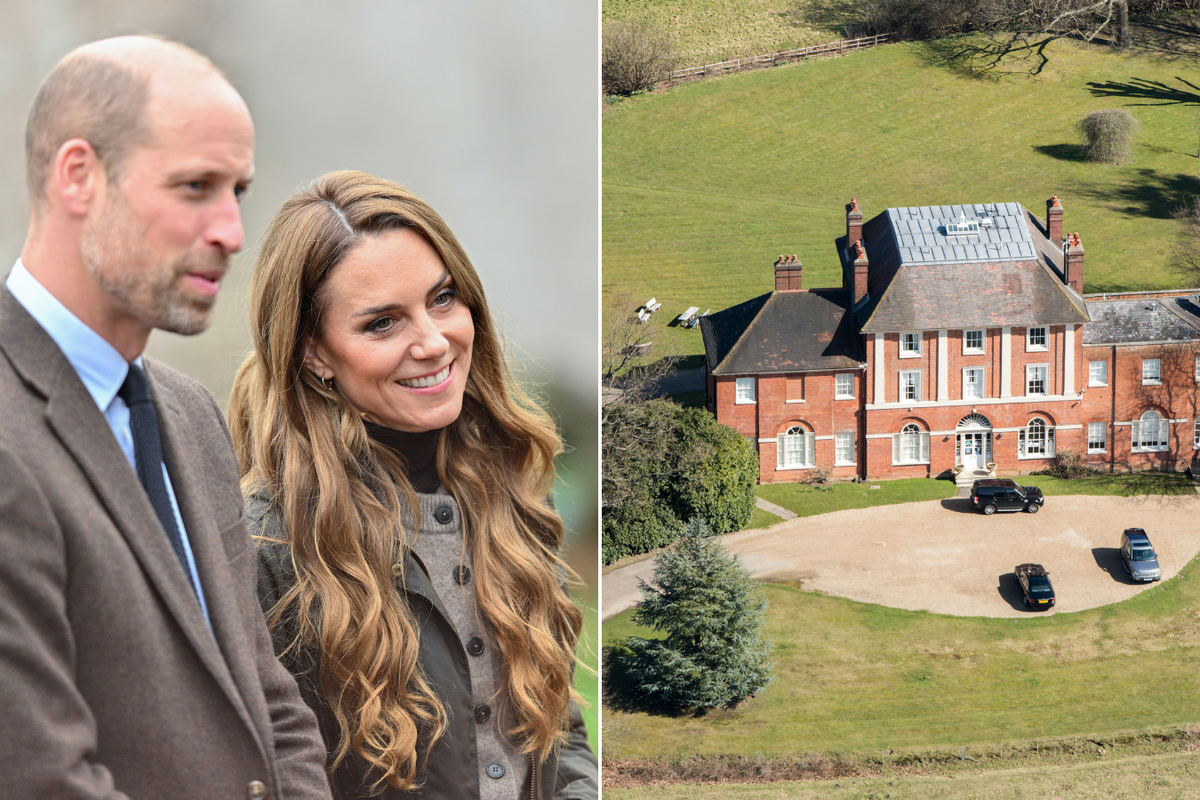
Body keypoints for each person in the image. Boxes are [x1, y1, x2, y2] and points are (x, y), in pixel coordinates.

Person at [0, 36, 330, 799]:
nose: (231, 233)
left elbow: (269, 703)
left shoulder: (189, 415)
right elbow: (39, 776)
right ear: (78, 176)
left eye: (236, 191)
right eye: (194, 188)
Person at [228, 170, 597, 800]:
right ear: (315, 353)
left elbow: (560, 731)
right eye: (382, 323)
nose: (432, 341)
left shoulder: (512, 496)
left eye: (443, 298)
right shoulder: (266, 550)